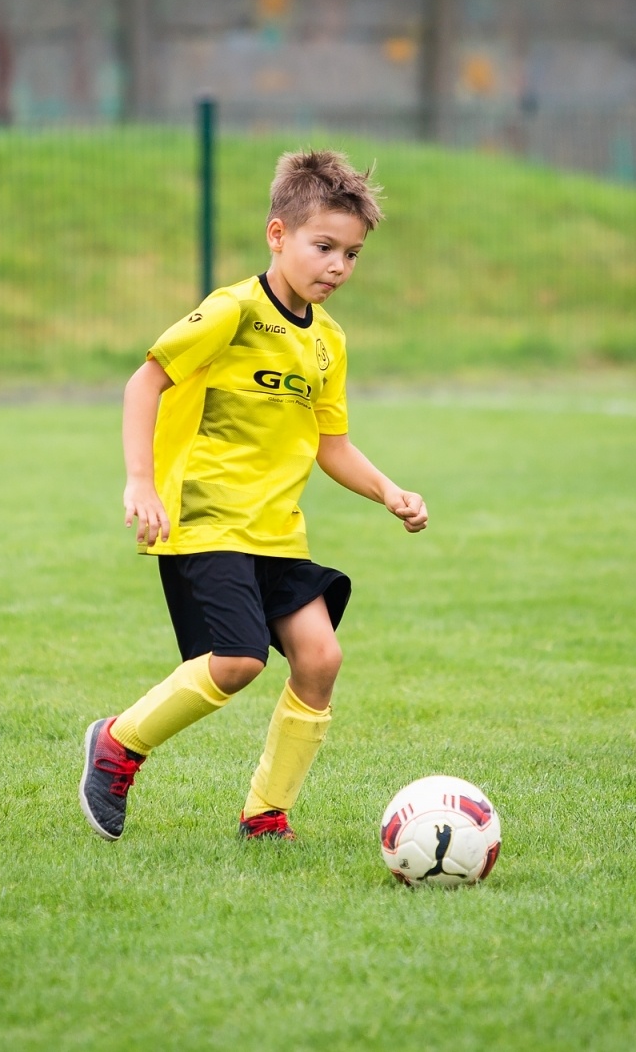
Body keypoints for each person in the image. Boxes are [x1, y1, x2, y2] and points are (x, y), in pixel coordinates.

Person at [79, 149, 428, 842]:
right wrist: (140, 482)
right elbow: (144, 382)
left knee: (321, 659)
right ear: (278, 234)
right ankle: (119, 743)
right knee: (238, 661)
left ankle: (267, 812)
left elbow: (331, 444)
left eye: (351, 254)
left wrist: (388, 490)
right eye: (323, 246)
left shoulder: (328, 341)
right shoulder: (231, 312)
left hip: (276, 531)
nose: (338, 266)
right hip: (206, 521)